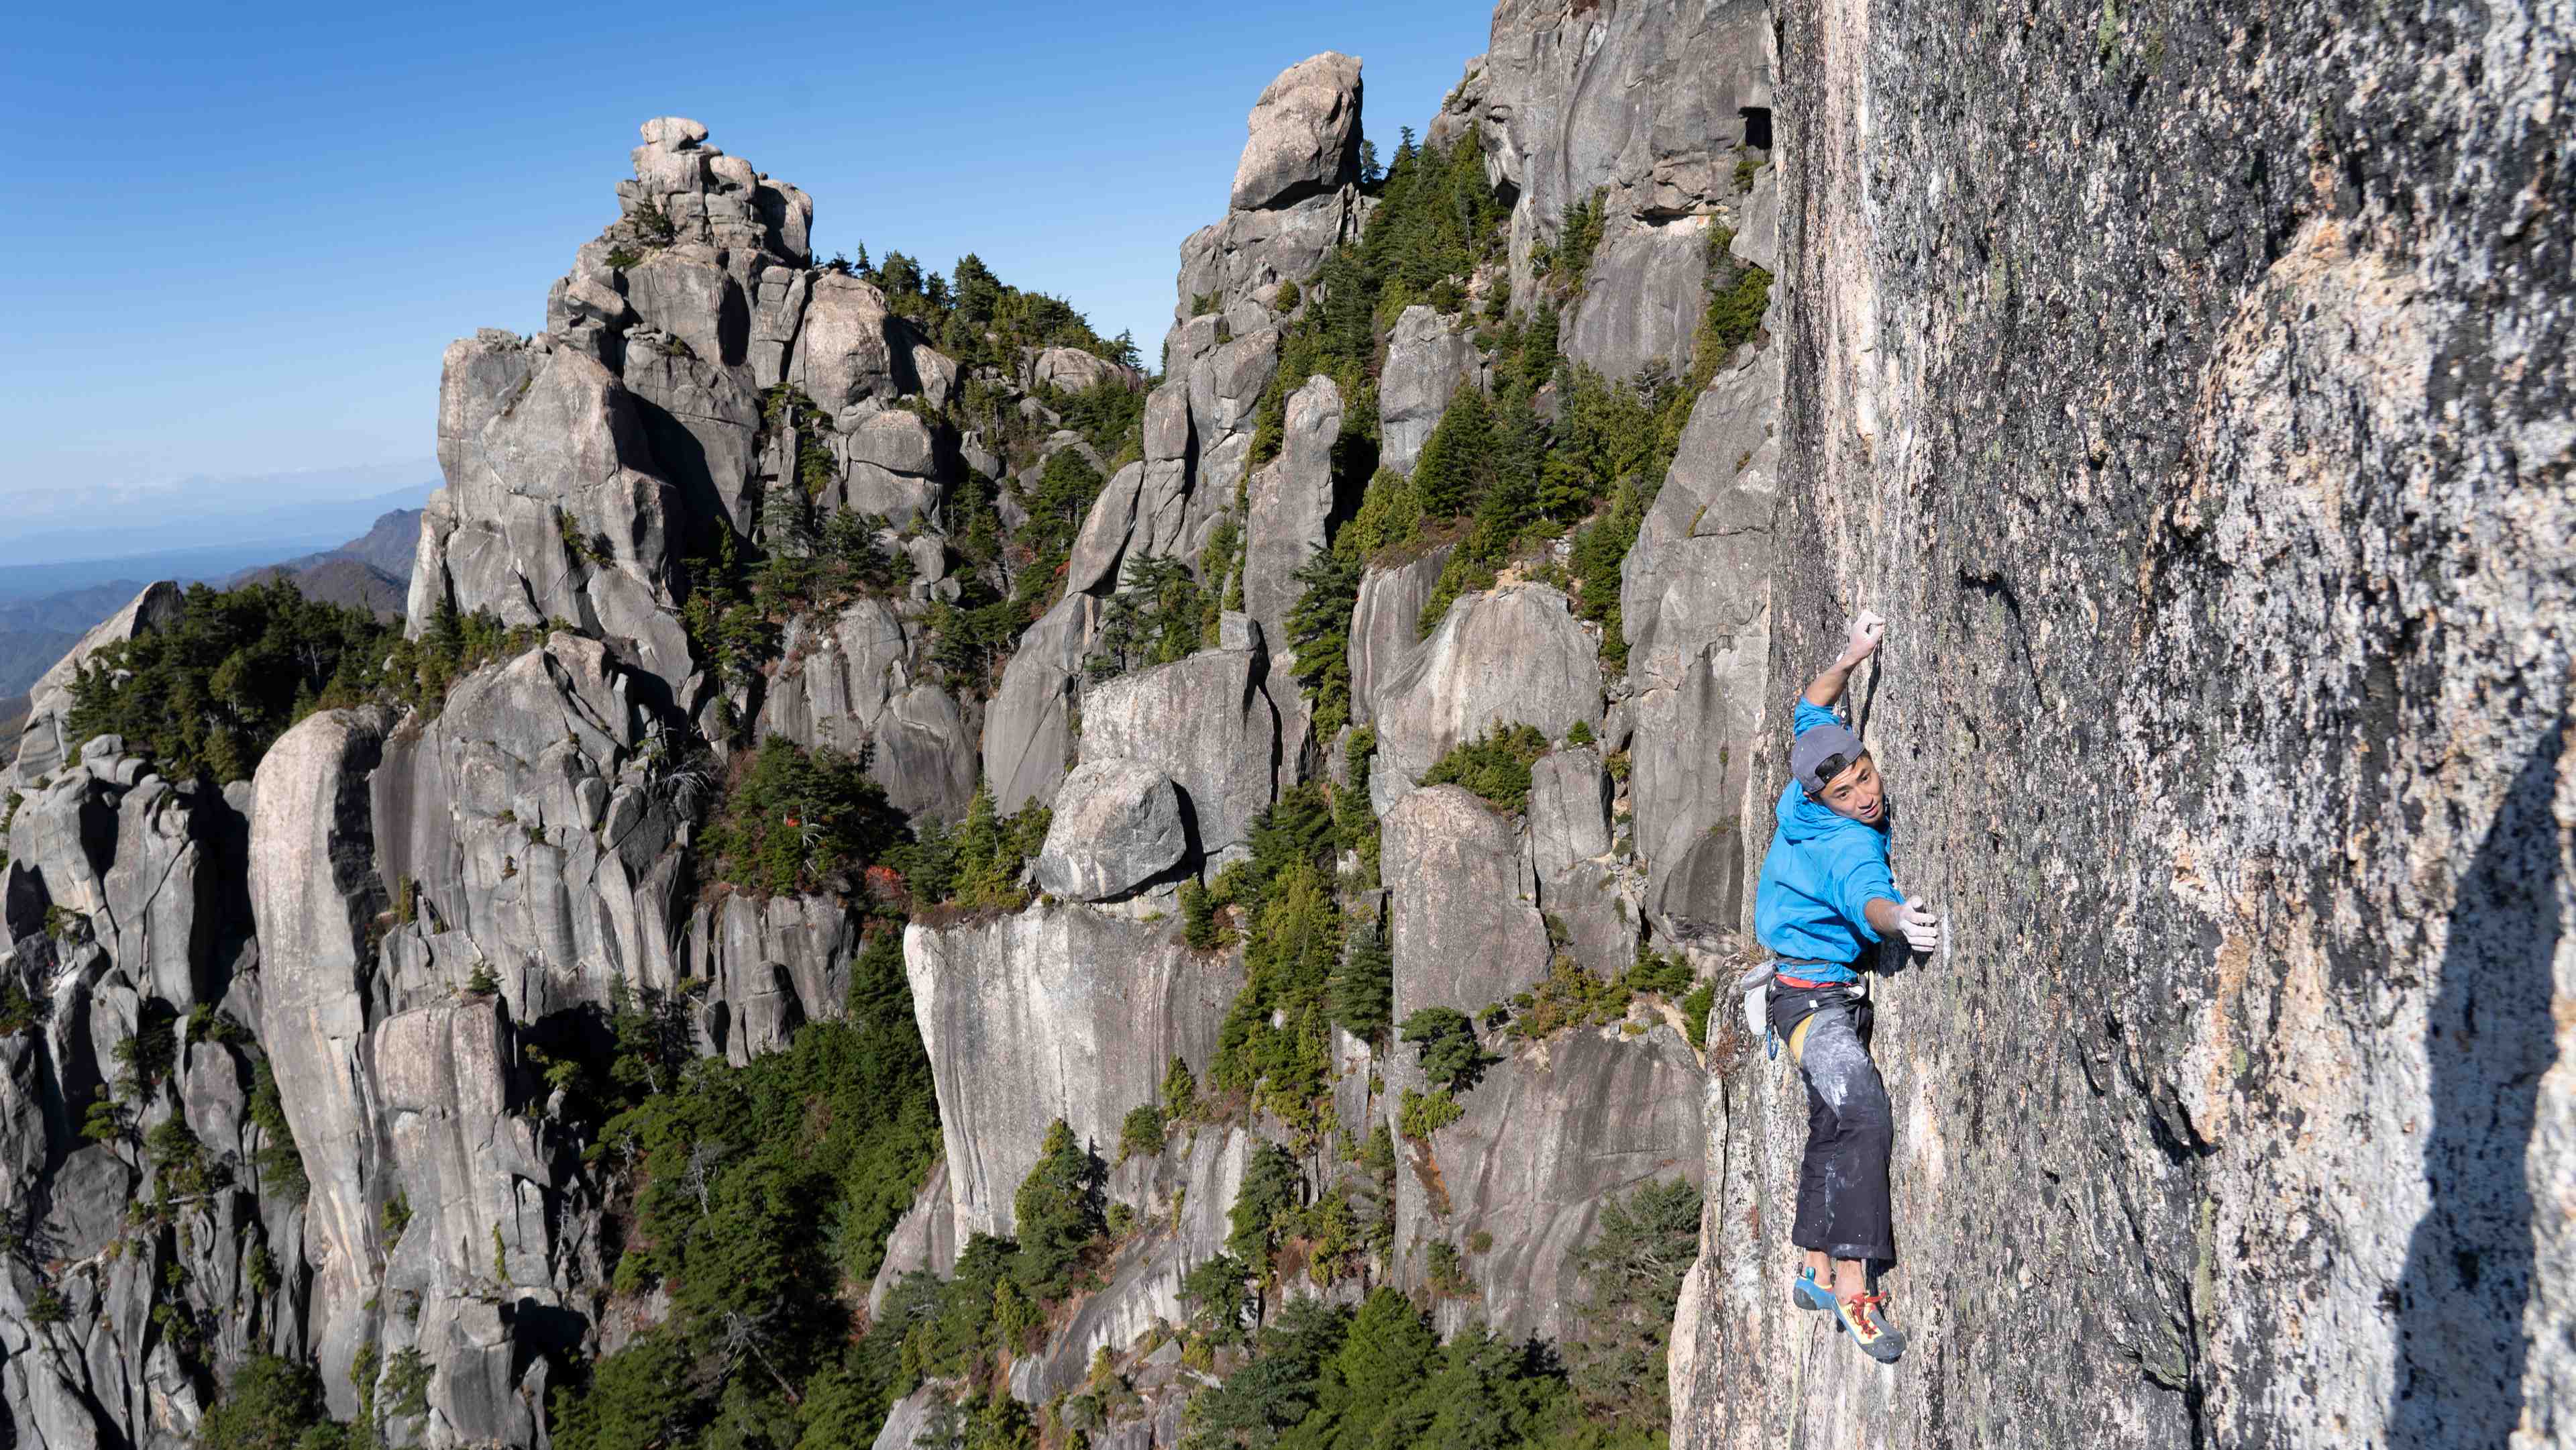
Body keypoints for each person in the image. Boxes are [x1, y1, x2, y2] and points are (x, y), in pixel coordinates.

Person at [1750, 608, 1942, 1365]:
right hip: (1810, 999)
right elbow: (1866, 893)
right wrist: (1901, 920)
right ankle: (1857, 1292)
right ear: (1824, 803)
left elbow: (1812, 700)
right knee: (1862, 1116)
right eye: (1849, 791)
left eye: (1866, 775)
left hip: (1798, 989)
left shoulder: (1807, 775)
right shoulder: (1844, 842)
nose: (1866, 795)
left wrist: (1855, 653)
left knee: (1831, 1121)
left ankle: (1814, 1266)